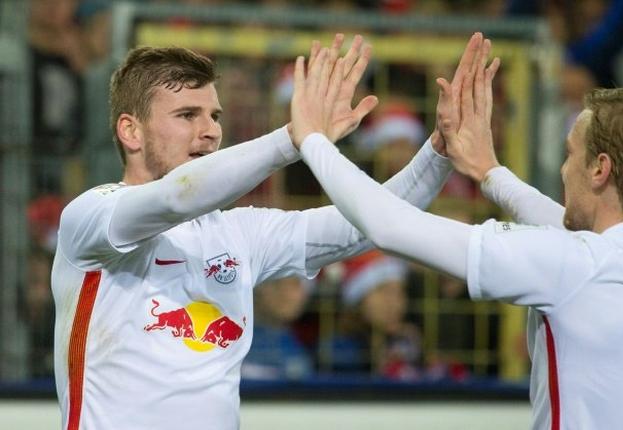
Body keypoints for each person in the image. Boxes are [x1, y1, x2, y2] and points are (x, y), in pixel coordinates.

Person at [290, 34, 623, 429]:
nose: (563, 169)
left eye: (570, 154)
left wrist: (312, 140)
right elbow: (580, 237)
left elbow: (389, 226)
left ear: (600, 169)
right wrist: (489, 171)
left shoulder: (576, 267)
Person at [51, 33, 483, 430]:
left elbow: (366, 225)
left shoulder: (238, 233)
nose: (210, 131)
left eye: (214, 116)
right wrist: (295, 138)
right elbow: (175, 198)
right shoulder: (92, 218)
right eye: (187, 115)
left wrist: (439, 153)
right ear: (131, 131)